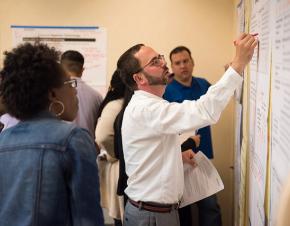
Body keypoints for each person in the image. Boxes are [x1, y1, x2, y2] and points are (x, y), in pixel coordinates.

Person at [115, 33, 258, 226]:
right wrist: (239, 63)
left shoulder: (151, 105)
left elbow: (150, 151)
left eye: (160, 57)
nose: (163, 63)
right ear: (139, 77)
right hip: (152, 216)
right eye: (155, 61)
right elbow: (205, 110)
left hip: (157, 213)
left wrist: (177, 155)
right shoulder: (147, 109)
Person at [0, 43, 104, 226]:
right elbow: (87, 217)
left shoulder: (3, 139)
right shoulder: (73, 138)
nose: (75, 90)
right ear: (53, 94)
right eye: (70, 84)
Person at [163, 46, 222, 226]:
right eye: (177, 63)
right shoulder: (166, 91)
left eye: (185, 61)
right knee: (183, 212)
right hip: (178, 160)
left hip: (201, 156)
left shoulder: (204, 84)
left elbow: (220, 99)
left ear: (192, 62)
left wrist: (231, 75)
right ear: (172, 67)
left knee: (210, 206)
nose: (183, 66)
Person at [95, 71, 128, 226]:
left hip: (121, 169)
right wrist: (115, 154)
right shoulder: (117, 105)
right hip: (119, 169)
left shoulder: (118, 104)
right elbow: (103, 136)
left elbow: (102, 136)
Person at [61, 50, 103, 140]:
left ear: (60, 69)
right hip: (88, 149)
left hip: (60, 149)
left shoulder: (53, 94)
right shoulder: (97, 97)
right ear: (82, 70)